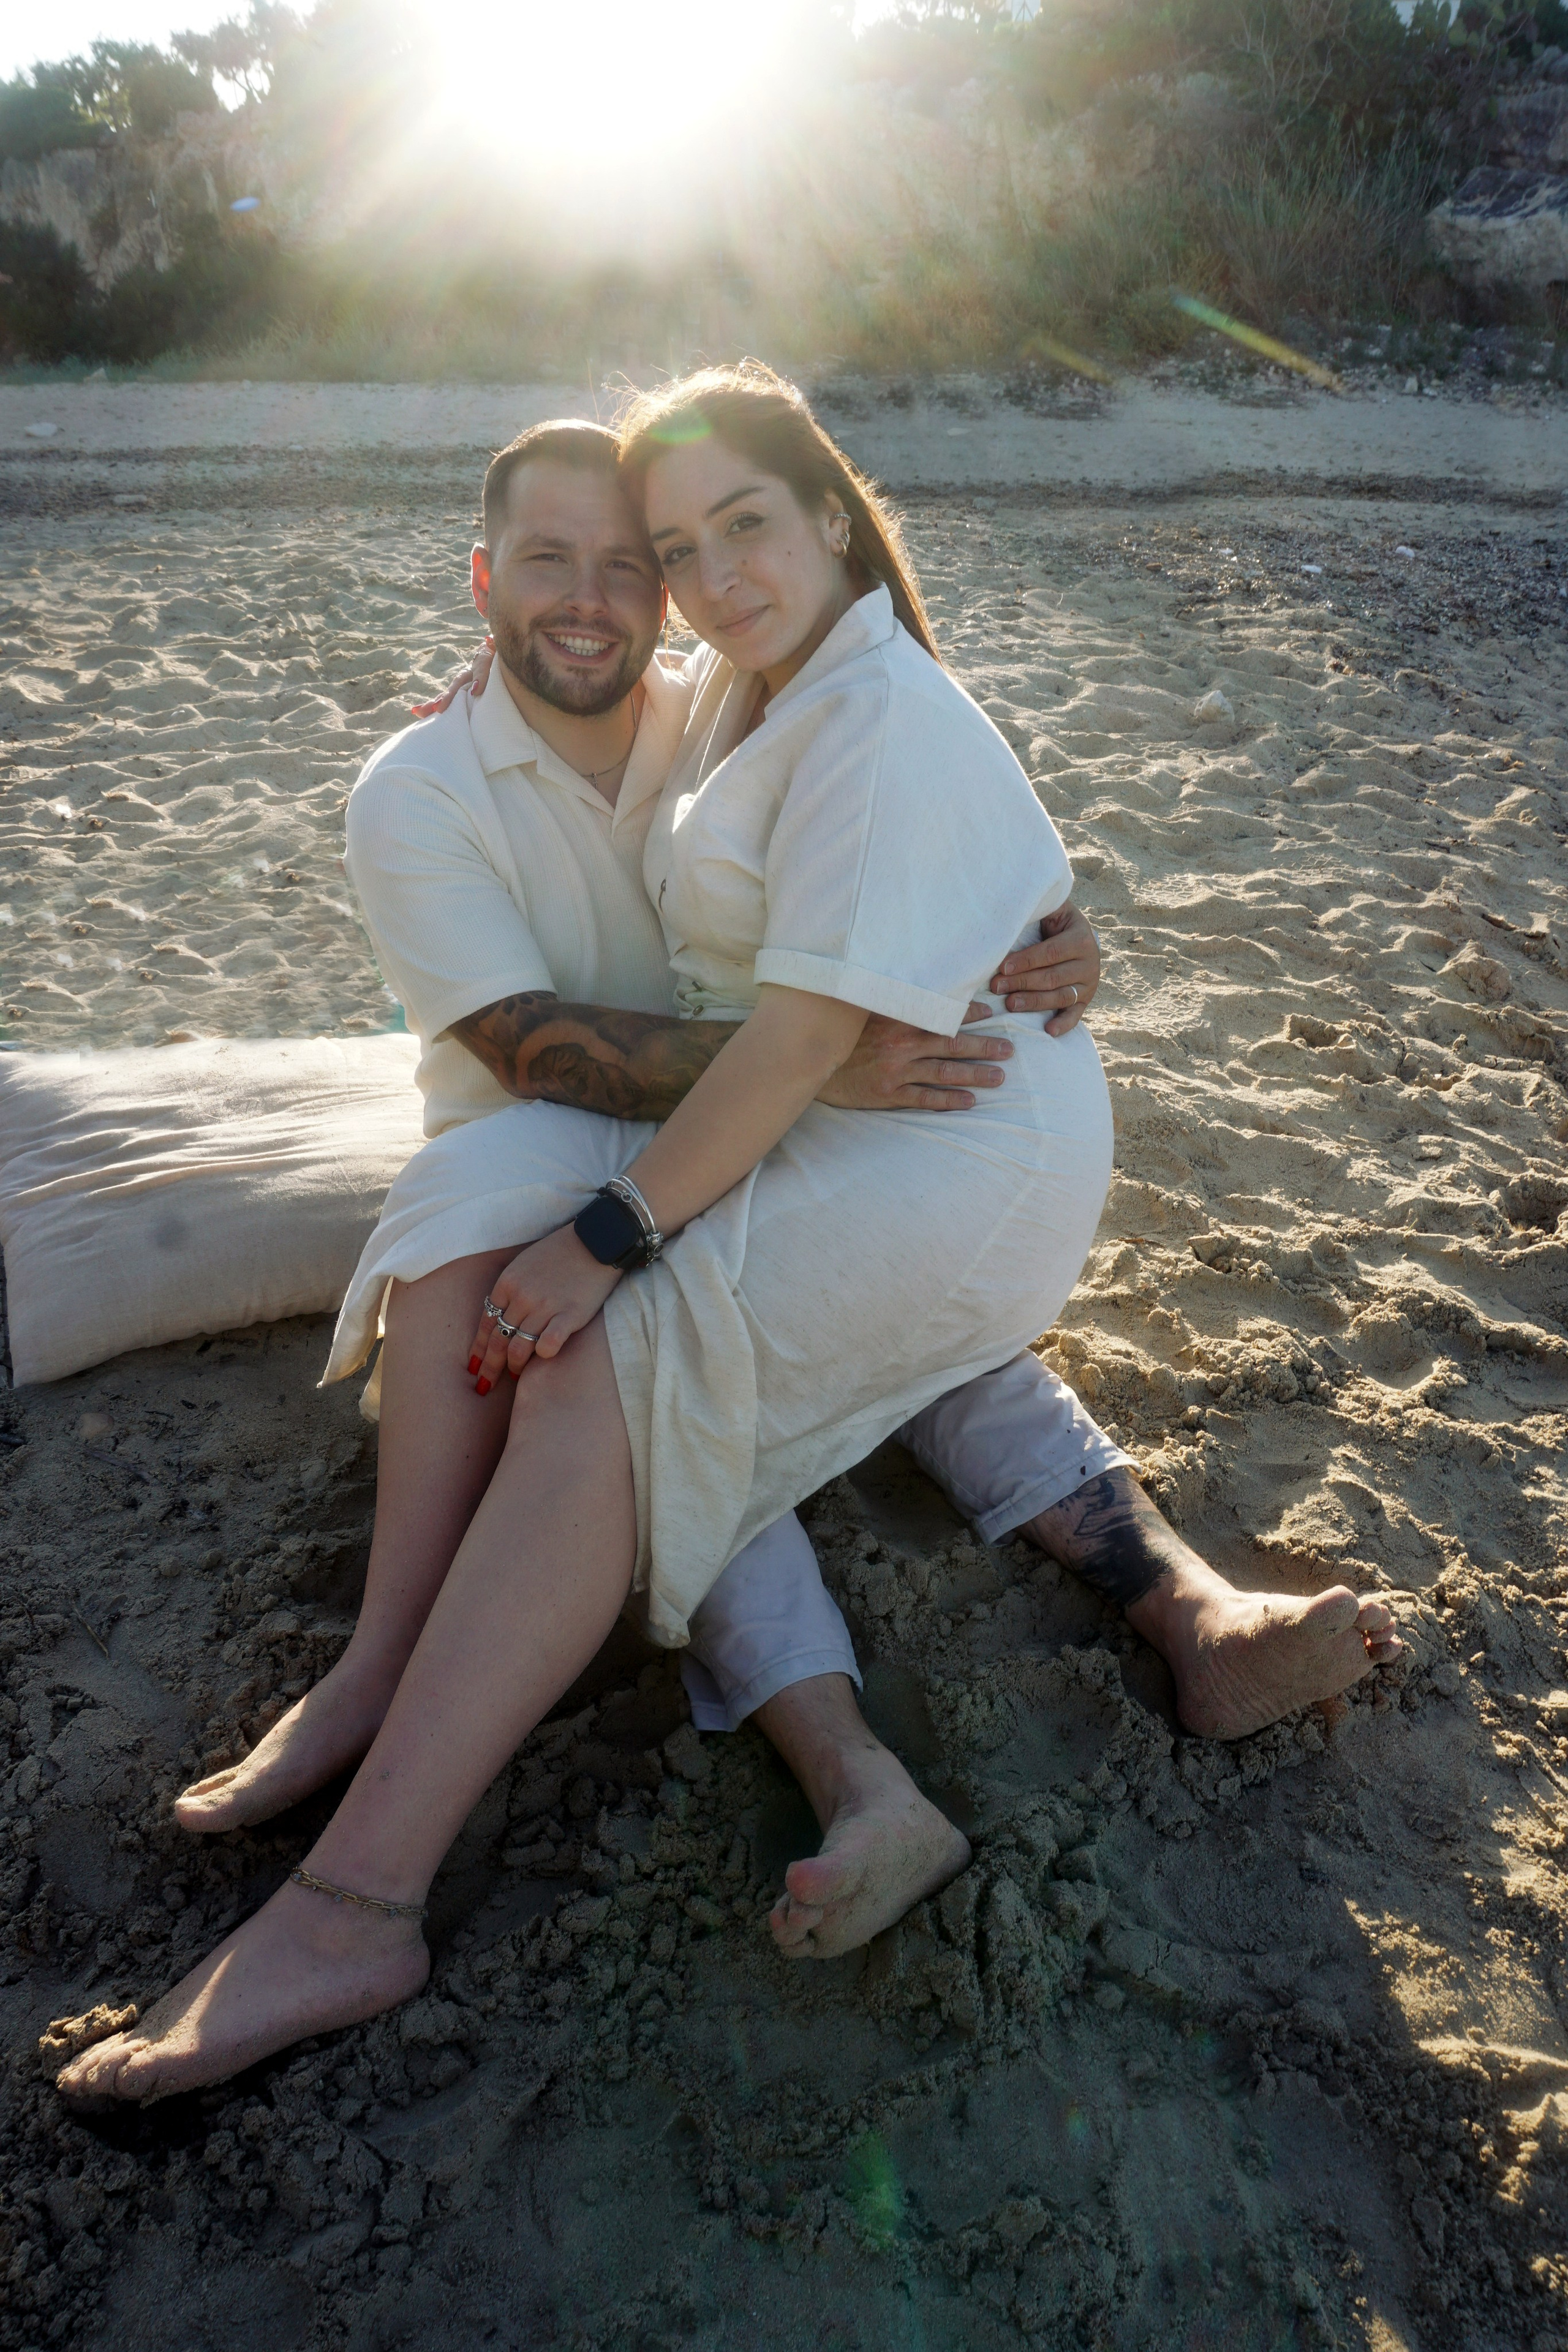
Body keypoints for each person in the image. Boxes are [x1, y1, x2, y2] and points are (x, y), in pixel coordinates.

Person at [59, 371, 1397, 2105]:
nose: (666, 584)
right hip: (831, 1124)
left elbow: (854, 959)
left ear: (832, 513)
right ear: (484, 582)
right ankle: (426, 1710)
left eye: (711, 536)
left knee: (624, 1365)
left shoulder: (829, 699)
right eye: (654, 549)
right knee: (587, 1324)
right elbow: (598, 1037)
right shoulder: (720, 697)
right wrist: (874, 1015)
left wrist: (1053, 932)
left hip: (941, 1148)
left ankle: (357, 1907)